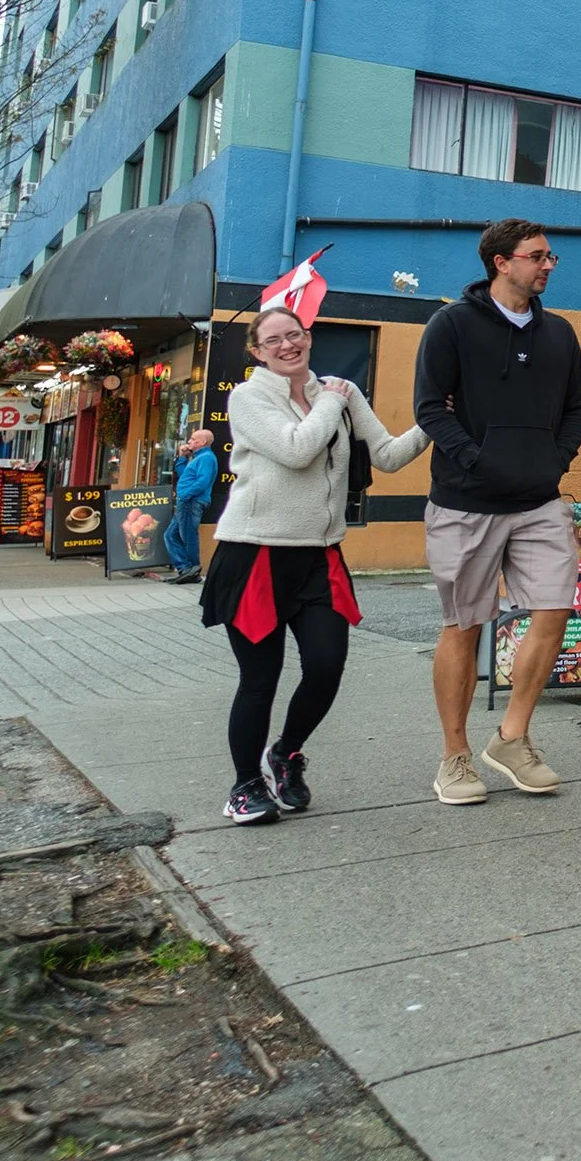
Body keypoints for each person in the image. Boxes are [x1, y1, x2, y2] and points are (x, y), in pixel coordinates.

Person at [204, 307, 428, 825]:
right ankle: (244, 786)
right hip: (256, 552)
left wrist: (433, 422)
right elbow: (298, 450)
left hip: (320, 556)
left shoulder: (341, 392)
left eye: (296, 335)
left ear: (308, 338)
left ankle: (286, 753)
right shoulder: (250, 397)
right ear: (257, 352)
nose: (288, 345)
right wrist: (330, 399)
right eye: (274, 340)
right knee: (260, 679)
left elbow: (389, 456)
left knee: (327, 666)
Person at [416, 219, 581, 806]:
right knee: (464, 624)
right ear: (501, 262)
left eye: (551, 257)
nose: (548, 265)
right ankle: (455, 756)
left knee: (554, 608)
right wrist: (476, 461)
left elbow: (577, 408)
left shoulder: (561, 334)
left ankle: (512, 736)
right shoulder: (452, 325)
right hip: (466, 503)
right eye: (537, 256)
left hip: (538, 500)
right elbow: (429, 410)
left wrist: (555, 462)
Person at [165, 428, 218, 583]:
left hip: (191, 501)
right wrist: (182, 457)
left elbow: (203, 481)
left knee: (188, 535)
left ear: (202, 442)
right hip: (188, 500)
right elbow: (184, 476)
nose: (189, 441)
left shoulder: (206, 458)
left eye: (193, 439)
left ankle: (192, 568)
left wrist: (185, 495)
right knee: (170, 535)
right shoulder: (196, 458)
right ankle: (186, 569)